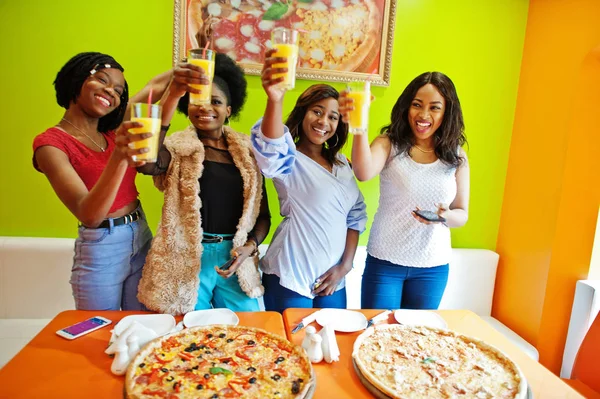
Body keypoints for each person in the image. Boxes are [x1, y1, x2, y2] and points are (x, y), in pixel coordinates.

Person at [32, 52, 171, 310]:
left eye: (119, 91)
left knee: (142, 325)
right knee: (98, 332)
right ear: (76, 80)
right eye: (102, 80)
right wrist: (119, 157)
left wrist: (189, 66)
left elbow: (154, 88)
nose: (111, 92)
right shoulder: (50, 144)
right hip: (101, 246)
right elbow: (89, 214)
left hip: (140, 233)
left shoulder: (111, 132)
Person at [136, 53, 270, 315]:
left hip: (233, 259)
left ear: (228, 110)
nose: (206, 107)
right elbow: (147, 164)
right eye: (198, 101)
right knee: (185, 341)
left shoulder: (248, 154)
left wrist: (249, 248)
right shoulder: (176, 148)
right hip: (185, 260)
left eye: (216, 101)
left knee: (246, 334)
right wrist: (172, 96)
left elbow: (263, 216)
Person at [340, 71, 470, 310]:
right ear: (406, 107)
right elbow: (363, 172)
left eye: (434, 108)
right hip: (385, 262)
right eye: (417, 105)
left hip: (433, 267)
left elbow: (462, 213)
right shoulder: (388, 144)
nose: (423, 115)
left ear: (447, 112)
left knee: (416, 340)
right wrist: (359, 128)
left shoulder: (457, 155)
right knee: (377, 335)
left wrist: (445, 217)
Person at [250, 49, 368, 313]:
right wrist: (274, 98)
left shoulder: (341, 164)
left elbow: (356, 216)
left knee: (332, 349)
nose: (323, 121)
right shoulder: (288, 157)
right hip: (290, 273)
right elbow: (270, 147)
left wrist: (345, 266)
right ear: (303, 113)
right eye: (317, 111)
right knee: (293, 348)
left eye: (333, 117)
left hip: (333, 278)